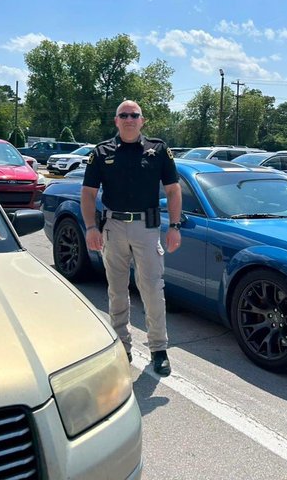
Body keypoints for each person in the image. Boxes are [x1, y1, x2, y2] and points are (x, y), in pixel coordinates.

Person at [81, 100, 182, 376]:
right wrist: (91, 227)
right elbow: (88, 193)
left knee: (152, 289)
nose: (129, 119)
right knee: (116, 290)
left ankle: (158, 348)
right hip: (113, 227)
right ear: (116, 121)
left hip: (147, 229)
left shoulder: (158, 150)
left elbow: (173, 190)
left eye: (134, 115)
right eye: (123, 115)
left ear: (142, 120)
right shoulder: (101, 152)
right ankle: (121, 346)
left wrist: (174, 225)